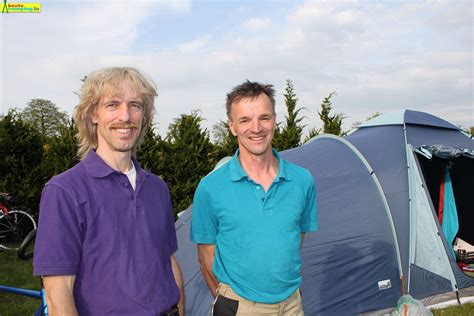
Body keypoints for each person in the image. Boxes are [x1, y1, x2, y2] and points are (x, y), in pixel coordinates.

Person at [33, 67, 185, 315]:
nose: (125, 116)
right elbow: (58, 291)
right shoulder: (64, 191)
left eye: (135, 105)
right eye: (112, 104)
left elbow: (168, 261)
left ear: (144, 116)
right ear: (92, 114)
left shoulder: (157, 188)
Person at [190, 81, 317, 315]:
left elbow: (294, 239)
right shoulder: (210, 188)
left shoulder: (302, 181)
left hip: (292, 305)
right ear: (232, 126)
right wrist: (227, 300)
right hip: (239, 306)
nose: (256, 128)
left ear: (275, 120)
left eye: (264, 118)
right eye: (245, 120)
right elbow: (205, 254)